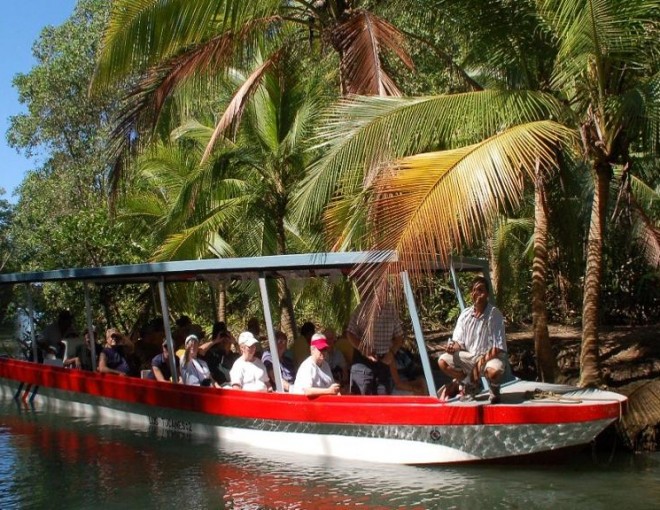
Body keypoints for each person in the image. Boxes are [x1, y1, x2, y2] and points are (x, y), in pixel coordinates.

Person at [437, 276, 507, 404]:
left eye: (481, 290)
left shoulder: (494, 314)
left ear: (487, 294)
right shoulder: (465, 314)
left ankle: (494, 390)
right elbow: (459, 342)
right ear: (471, 294)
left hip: (489, 358)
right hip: (470, 356)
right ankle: (470, 384)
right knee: (443, 361)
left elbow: (498, 347)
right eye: (475, 290)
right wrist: (452, 348)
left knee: (493, 372)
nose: (477, 293)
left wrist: (478, 365)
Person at [346, 298, 403, 395]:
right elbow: (350, 333)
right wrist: (363, 348)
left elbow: (399, 336)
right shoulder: (362, 308)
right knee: (362, 403)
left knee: (382, 402)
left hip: (383, 362)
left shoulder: (391, 309)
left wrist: (392, 352)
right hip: (363, 362)